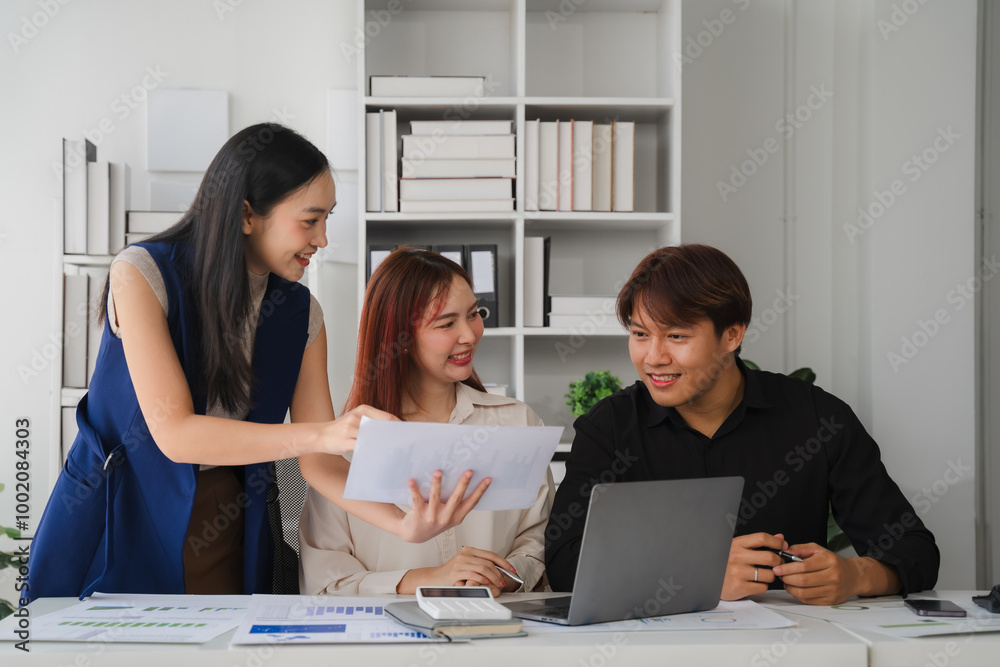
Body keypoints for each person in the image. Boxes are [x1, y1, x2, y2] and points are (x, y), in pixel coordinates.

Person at [29, 125, 480, 602]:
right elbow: (176, 433)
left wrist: (404, 525)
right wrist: (324, 432)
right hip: (118, 511)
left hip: (225, 521)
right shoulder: (141, 274)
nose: (323, 239)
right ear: (247, 214)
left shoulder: (304, 315)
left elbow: (319, 463)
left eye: (327, 219)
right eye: (310, 221)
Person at [545, 244, 940, 605]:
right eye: (640, 334)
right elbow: (565, 562)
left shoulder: (818, 419)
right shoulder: (609, 427)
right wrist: (693, 575)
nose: (654, 357)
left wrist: (856, 574)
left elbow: (915, 550)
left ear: (732, 334)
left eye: (677, 335)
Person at [298, 247, 554, 596]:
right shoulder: (346, 447)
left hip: (496, 632)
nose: (470, 334)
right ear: (399, 339)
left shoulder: (517, 422)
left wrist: (502, 575)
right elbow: (325, 584)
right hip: (383, 642)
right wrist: (426, 579)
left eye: (474, 314)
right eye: (447, 323)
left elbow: (538, 541)